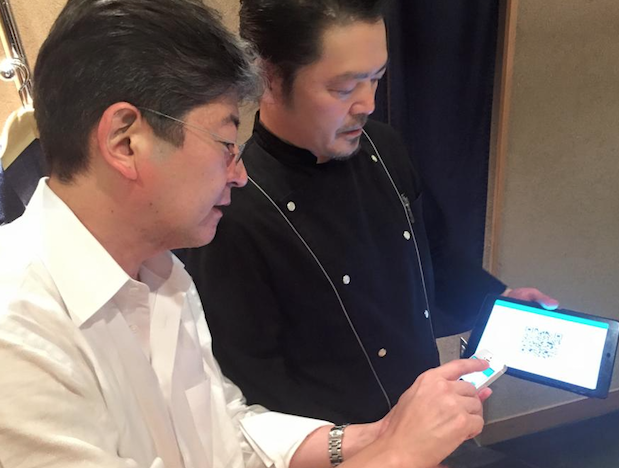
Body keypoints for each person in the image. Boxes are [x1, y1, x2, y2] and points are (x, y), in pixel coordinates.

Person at [0, 0, 495, 467]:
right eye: (224, 142)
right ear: (125, 142)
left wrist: (377, 434)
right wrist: (395, 454)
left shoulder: (162, 274)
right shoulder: (17, 333)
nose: (238, 174)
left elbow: (226, 431)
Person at [184, 0, 558, 424]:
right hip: (339, 445)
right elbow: (255, 389)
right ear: (268, 77)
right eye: (344, 89)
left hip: (428, 423)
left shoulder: (385, 147)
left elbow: (435, 258)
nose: (368, 104)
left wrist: (496, 301)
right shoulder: (234, 209)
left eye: (376, 79)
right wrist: (379, 444)